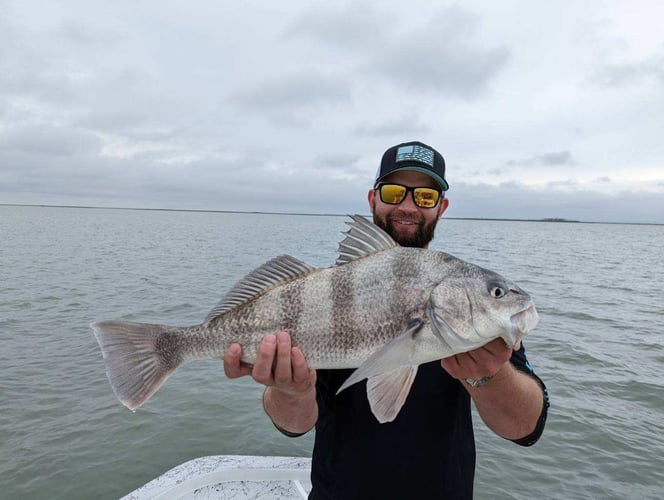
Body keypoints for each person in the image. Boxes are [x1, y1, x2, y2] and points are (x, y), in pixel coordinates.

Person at [224, 141, 549, 499]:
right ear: (372, 199)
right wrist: (290, 390)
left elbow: (525, 428)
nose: (407, 206)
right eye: (394, 192)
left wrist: (490, 375)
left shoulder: (478, 318)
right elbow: (295, 425)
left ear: (441, 208)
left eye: (424, 197)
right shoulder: (327, 294)